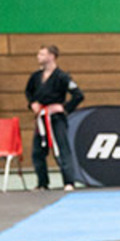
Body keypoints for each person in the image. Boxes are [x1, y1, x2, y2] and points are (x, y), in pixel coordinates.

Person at [25, 45, 85, 192]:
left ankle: (68, 182)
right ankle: (42, 183)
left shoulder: (62, 76)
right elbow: (28, 92)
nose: (38, 57)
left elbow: (78, 95)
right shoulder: (35, 77)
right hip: (42, 118)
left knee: (62, 150)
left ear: (52, 56)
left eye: (42, 54)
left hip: (57, 118)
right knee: (38, 152)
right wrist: (33, 104)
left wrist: (64, 109)